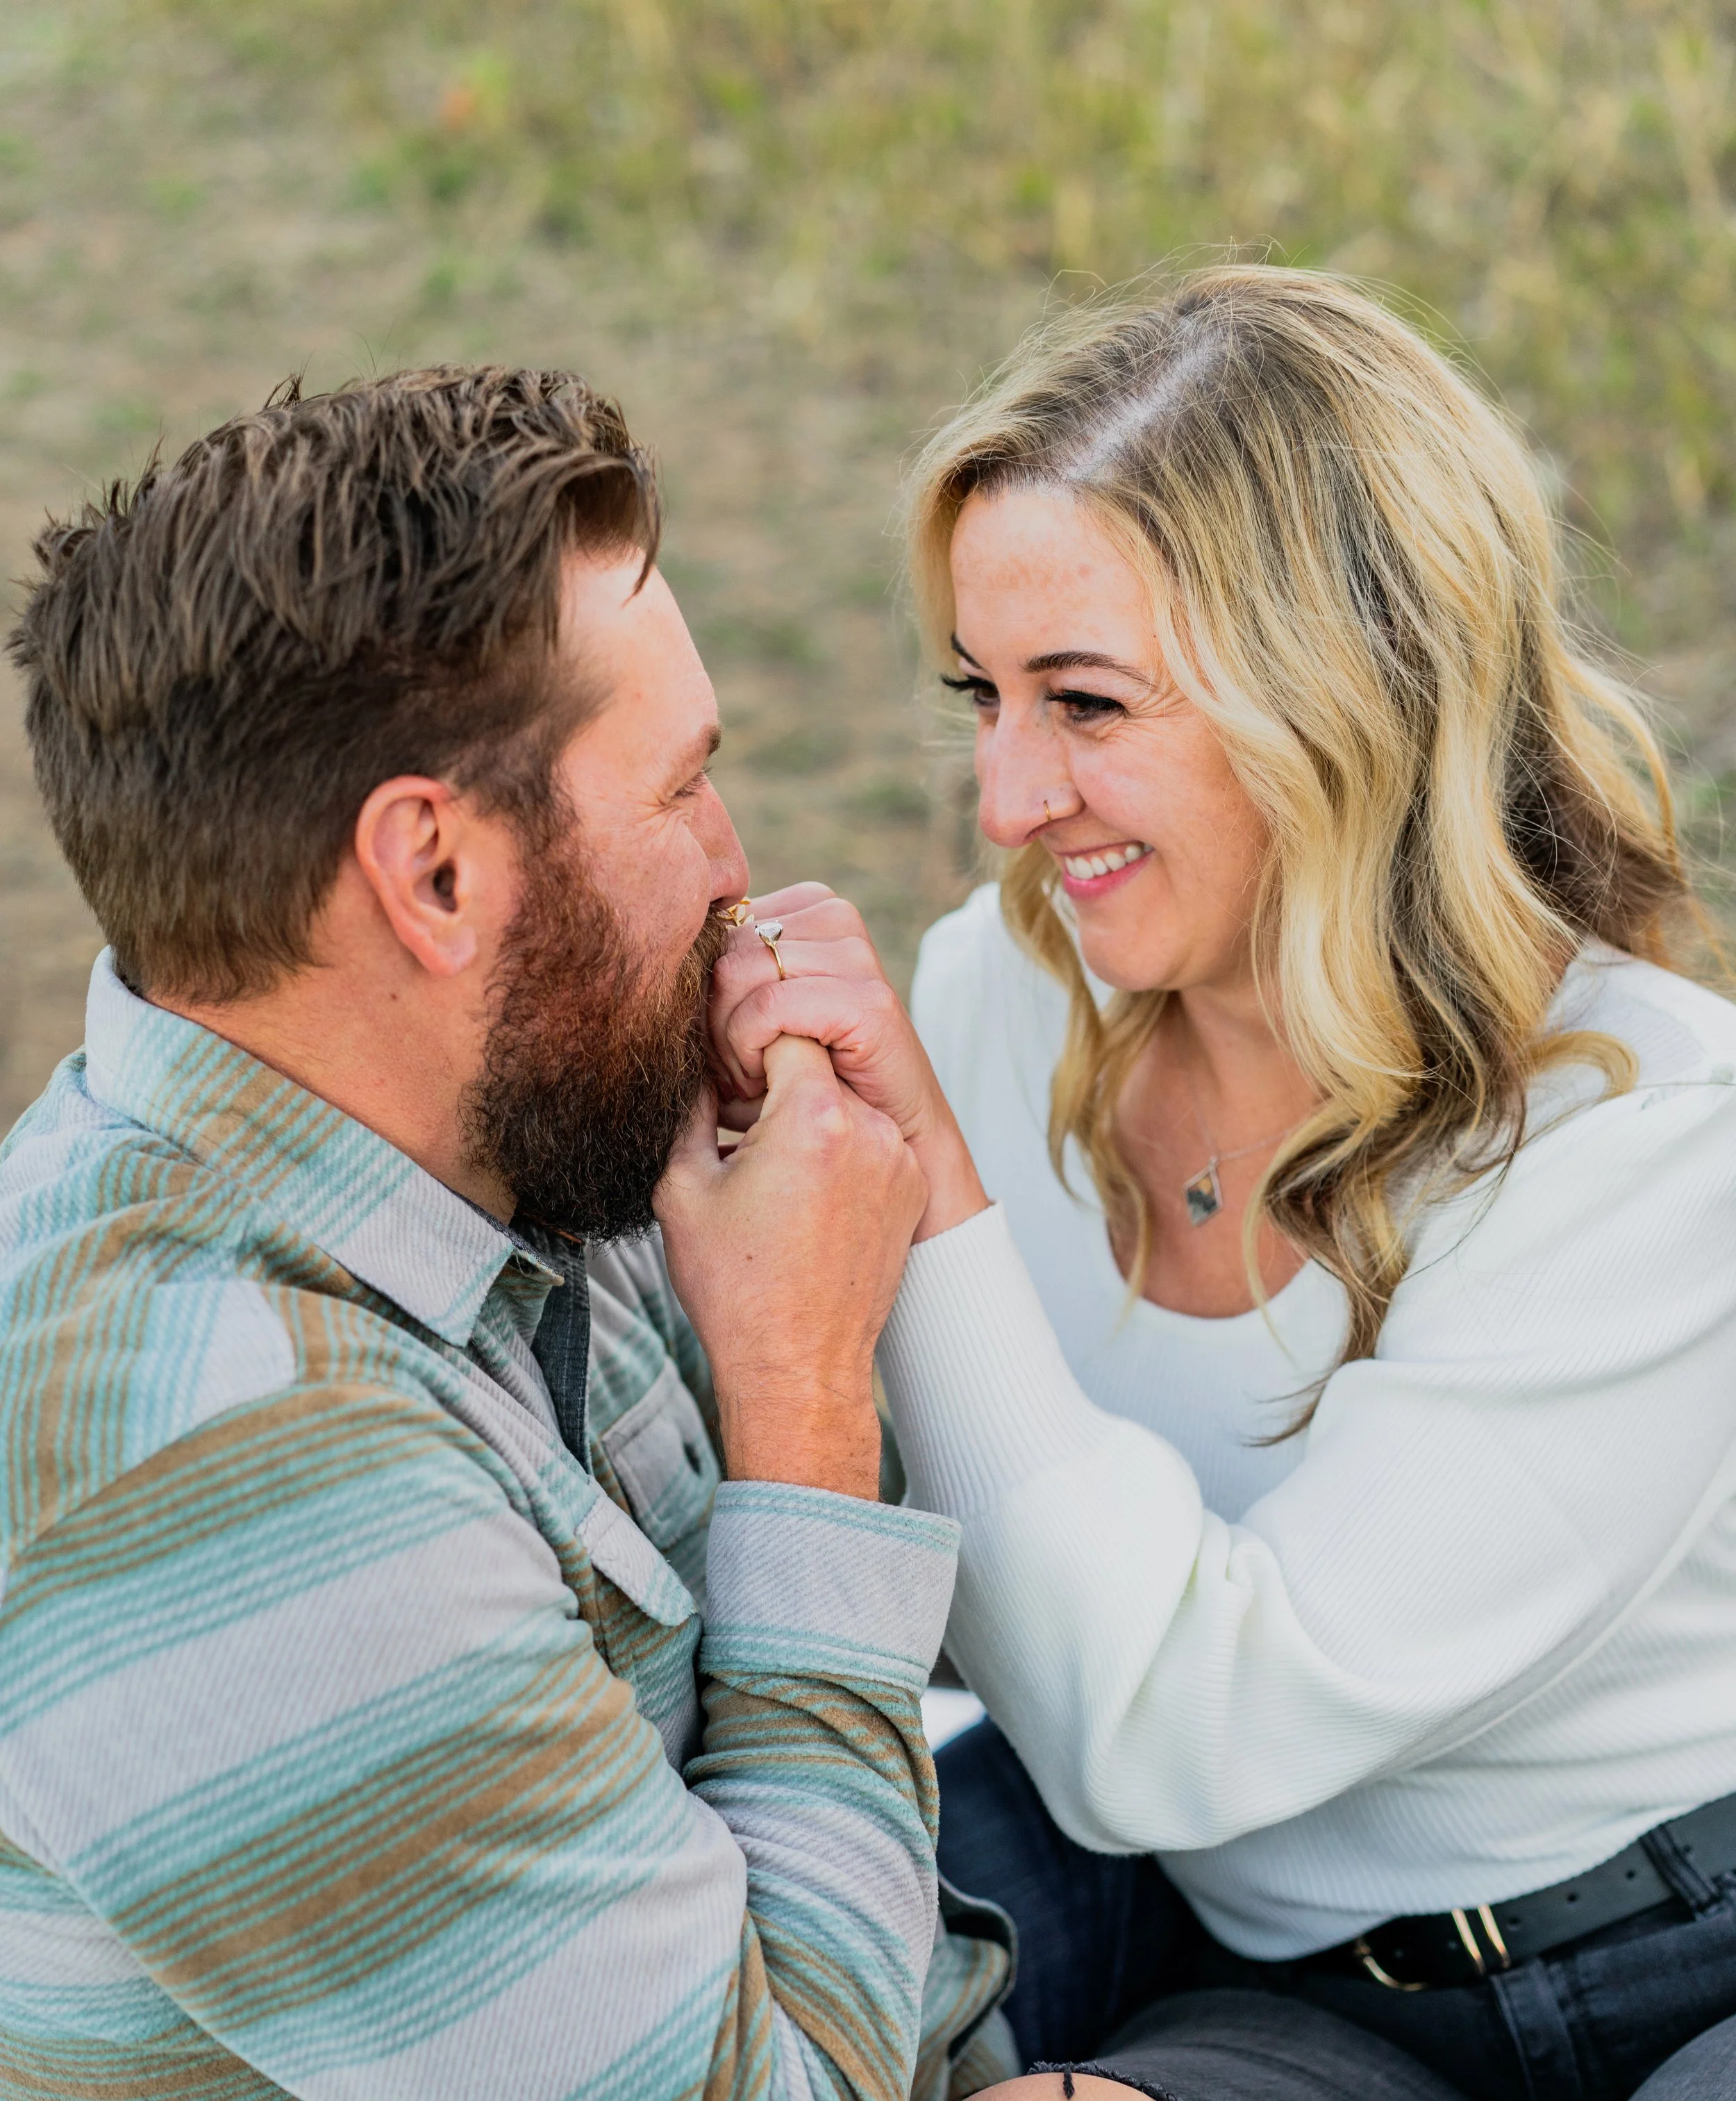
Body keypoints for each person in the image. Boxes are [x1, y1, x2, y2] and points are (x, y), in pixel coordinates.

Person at [705, 269, 1736, 2100]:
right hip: (1244, 1947)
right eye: (983, 697)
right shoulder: (1000, 996)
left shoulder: (1653, 1142)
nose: (1007, 800)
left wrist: (924, 1184)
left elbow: (1180, 1727)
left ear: (1344, 696)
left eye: (1084, 703)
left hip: (1653, 1962)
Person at [0, 369, 1015, 2100]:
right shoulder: (228, 1481)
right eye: (683, 787)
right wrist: (793, 1402)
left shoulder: (468, 1127)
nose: (737, 864)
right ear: (437, 876)